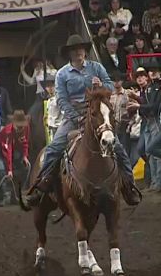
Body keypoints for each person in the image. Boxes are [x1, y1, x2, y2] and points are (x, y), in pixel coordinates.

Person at [26, 34, 141, 206]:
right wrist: (76, 117)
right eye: (75, 50)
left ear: (85, 51)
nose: (78, 52)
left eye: (81, 49)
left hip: (97, 114)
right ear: (70, 54)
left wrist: (101, 86)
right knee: (54, 148)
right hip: (73, 116)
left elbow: (111, 87)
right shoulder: (62, 74)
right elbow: (62, 100)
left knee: (117, 147)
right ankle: (41, 185)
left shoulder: (96, 68)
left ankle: (129, 186)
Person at [0, 109, 32, 198]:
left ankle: (15, 193)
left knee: (24, 168)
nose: (21, 128)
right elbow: (8, 150)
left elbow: (25, 142)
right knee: (1, 169)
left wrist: (25, 156)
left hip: (15, 149)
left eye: (22, 126)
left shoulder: (26, 128)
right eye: (18, 127)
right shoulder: (8, 132)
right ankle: (5, 195)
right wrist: (10, 170)